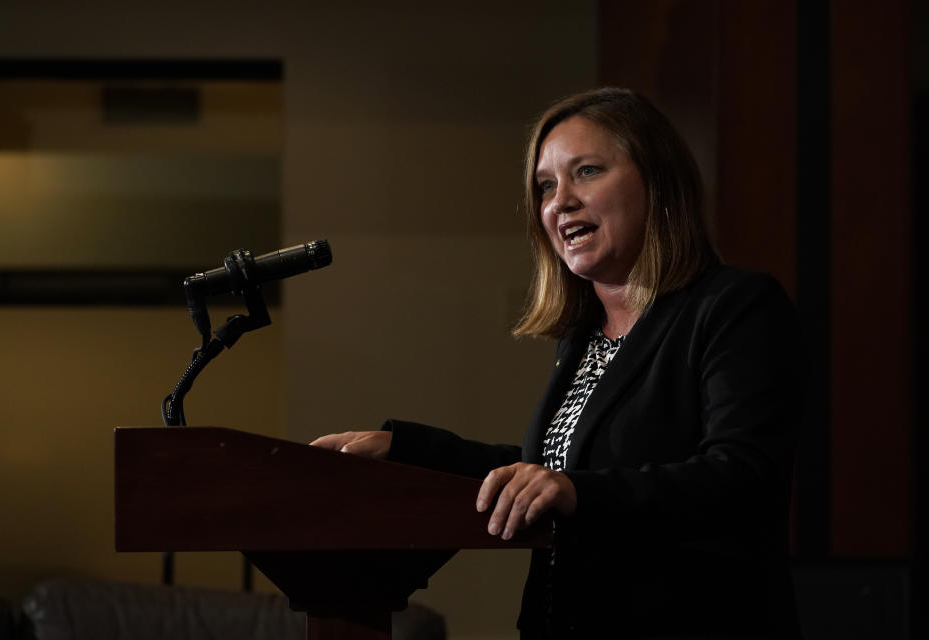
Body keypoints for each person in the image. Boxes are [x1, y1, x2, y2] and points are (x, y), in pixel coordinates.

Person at [312, 88, 803, 639]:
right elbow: (545, 472)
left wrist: (577, 494)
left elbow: (742, 477)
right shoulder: (582, 339)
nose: (559, 201)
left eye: (586, 171)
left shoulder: (734, 307)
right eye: (546, 186)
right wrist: (406, 452)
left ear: (659, 183)